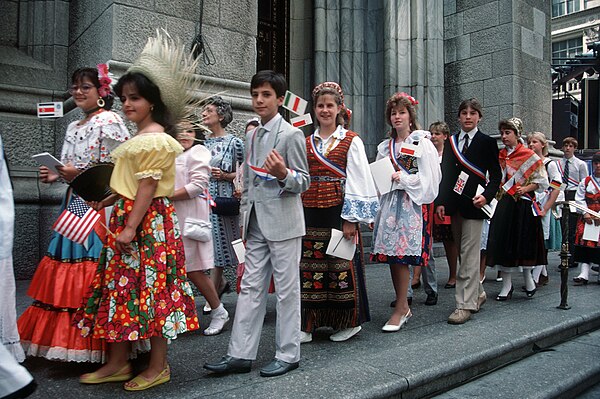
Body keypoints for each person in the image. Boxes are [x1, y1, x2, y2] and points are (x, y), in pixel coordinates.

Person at [72, 31, 199, 391]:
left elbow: (147, 186)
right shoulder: (141, 136)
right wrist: (110, 200)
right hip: (133, 217)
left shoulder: (156, 137)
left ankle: (158, 365)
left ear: (152, 103)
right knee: (121, 291)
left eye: (136, 98)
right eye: (125, 97)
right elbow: (130, 182)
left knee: (155, 294)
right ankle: (118, 362)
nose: (127, 104)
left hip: (148, 223)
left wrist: (129, 226)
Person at [18, 66, 130, 362]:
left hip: (98, 202)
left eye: (86, 87)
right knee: (68, 263)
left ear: (101, 92)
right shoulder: (73, 125)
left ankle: (99, 345)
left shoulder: (110, 121)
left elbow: (118, 168)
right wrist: (55, 175)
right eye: (75, 87)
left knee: (93, 266)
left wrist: (75, 173)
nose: (78, 92)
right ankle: (66, 343)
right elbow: (67, 166)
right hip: (74, 202)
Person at [203, 70, 310, 377]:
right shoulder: (251, 135)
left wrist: (282, 174)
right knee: (249, 288)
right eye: (255, 95)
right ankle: (240, 353)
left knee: (288, 291)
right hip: (255, 224)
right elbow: (247, 181)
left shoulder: (292, 134)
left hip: (285, 224)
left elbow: (304, 181)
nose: (259, 100)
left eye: (266, 95)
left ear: (279, 99)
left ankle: (289, 353)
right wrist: (243, 220)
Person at [299, 82, 378, 343]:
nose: (324, 110)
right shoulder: (306, 141)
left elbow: (358, 178)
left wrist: (350, 220)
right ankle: (310, 323)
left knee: (339, 267)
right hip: (310, 212)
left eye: (329, 105)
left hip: (338, 211)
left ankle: (347, 322)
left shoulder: (350, 141)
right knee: (311, 268)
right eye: (320, 105)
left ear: (339, 109)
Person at [371, 92, 441, 332]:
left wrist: (404, 179)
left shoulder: (420, 142)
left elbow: (430, 178)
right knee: (392, 257)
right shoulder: (386, 146)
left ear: (410, 116)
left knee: (401, 255)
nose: (397, 117)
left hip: (410, 205)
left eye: (401, 112)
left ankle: (401, 307)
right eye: (393, 113)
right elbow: (378, 180)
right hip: (390, 205)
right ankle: (402, 304)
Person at [436, 98, 502, 325]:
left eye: (473, 113)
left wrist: (487, 197)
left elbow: (496, 176)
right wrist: (441, 202)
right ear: (458, 117)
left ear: (479, 117)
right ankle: (479, 293)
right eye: (464, 112)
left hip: (475, 206)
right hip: (455, 206)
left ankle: (464, 305)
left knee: (470, 255)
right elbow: (445, 175)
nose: (468, 116)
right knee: (464, 254)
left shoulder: (486, 142)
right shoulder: (452, 142)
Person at [172, 121, 229, 336]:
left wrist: (165, 194)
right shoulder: (171, 153)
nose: (184, 134)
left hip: (190, 219)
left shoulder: (198, 152)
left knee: (194, 270)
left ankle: (218, 310)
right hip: (171, 219)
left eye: (189, 130)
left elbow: (197, 186)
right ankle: (177, 317)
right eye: (180, 130)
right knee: (174, 269)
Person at [486, 118, 548, 300]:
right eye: (503, 133)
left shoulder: (530, 156)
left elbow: (542, 181)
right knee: (504, 243)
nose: (504, 137)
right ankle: (506, 285)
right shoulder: (500, 156)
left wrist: (526, 188)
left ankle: (529, 278)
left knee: (524, 242)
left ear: (517, 134)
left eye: (508, 133)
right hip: (505, 203)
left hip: (523, 204)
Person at [201, 96, 245, 314]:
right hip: (206, 200)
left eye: (208, 110)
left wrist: (227, 176)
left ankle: (231, 289)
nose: (204, 114)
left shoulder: (235, 143)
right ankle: (216, 289)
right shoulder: (203, 143)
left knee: (233, 247)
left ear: (220, 115)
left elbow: (246, 172)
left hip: (227, 200)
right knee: (211, 247)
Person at [527, 132, 563, 286]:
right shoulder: (528, 163)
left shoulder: (550, 164)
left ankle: (536, 277)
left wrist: (547, 208)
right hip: (531, 203)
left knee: (542, 239)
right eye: (529, 142)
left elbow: (556, 186)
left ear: (542, 144)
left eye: (535, 141)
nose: (531, 144)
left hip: (544, 204)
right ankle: (543, 273)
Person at [429, 121, 458, 291]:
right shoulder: (428, 153)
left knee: (449, 239)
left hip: (444, 200)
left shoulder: (449, 154)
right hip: (428, 200)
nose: (433, 137)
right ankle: (418, 276)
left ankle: (453, 274)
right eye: (432, 133)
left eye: (437, 134)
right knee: (425, 238)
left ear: (445, 136)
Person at [559, 137, 588, 269]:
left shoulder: (580, 164)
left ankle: (572, 257)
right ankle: (564, 255)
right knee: (562, 226)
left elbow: (584, 182)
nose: (568, 148)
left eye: (571, 146)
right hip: (561, 194)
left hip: (573, 194)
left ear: (575, 148)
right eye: (566, 145)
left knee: (571, 227)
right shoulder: (558, 163)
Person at [572, 152, 600, 285]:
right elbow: (579, 198)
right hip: (588, 217)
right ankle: (584, 273)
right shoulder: (586, 181)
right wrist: (585, 213)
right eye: (596, 163)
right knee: (585, 244)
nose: (598, 166)